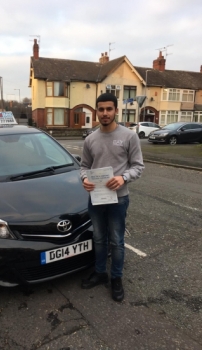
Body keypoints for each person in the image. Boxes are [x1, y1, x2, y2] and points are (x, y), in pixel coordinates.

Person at [80, 93, 144, 302]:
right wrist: (84, 179)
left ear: (116, 110)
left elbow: (138, 166)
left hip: (119, 198)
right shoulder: (90, 139)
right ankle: (100, 273)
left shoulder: (129, 136)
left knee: (116, 241)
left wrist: (123, 178)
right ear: (96, 111)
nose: (105, 113)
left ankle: (116, 277)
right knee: (98, 238)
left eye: (109, 109)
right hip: (96, 198)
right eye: (101, 109)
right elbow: (84, 167)